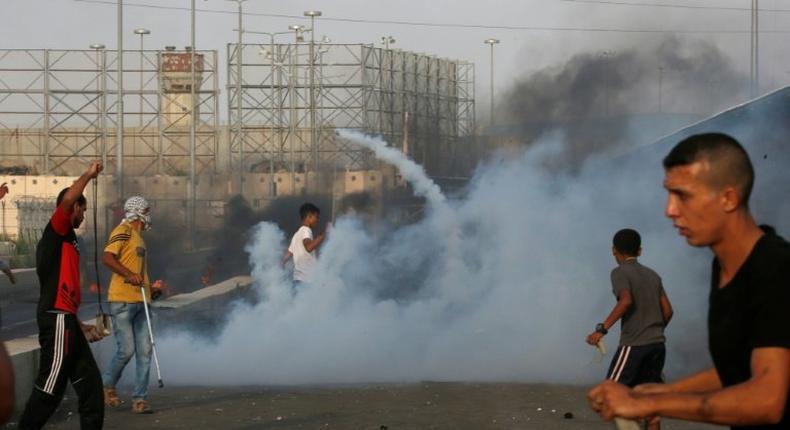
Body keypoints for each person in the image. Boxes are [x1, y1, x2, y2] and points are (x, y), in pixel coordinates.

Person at [588, 133, 790, 428]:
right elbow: (739, 370)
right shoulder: (723, 268)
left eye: (683, 195)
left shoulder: (775, 268)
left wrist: (651, 402)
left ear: (728, 198)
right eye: (669, 195)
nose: (669, 210)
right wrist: (661, 390)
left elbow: (767, 400)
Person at [18, 161, 106, 430]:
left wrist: (78, 324)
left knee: (90, 387)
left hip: (65, 320)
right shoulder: (57, 230)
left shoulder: (69, 240)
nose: (84, 216)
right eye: (83, 210)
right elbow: (67, 200)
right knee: (50, 387)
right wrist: (89, 175)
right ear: (75, 207)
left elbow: (63, 288)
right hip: (55, 319)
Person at [586, 228, 673, 430]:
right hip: (657, 345)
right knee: (650, 403)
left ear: (614, 250)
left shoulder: (619, 272)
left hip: (635, 346)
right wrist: (654, 329)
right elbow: (668, 311)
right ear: (640, 251)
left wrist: (601, 330)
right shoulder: (653, 275)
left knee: (610, 394)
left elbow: (626, 301)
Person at [100, 196, 162, 414]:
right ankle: (106, 384)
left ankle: (140, 399)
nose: (149, 214)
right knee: (126, 351)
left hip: (142, 300)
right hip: (123, 300)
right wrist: (129, 275)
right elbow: (107, 258)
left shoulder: (138, 237)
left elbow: (138, 273)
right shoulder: (123, 230)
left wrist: (151, 289)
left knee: (145, 350)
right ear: (138, 212)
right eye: (147, 209)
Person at [282, 203, 328, 286]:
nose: (318, 220)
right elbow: (308, 247)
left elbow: (285, 258)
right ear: (309, 217)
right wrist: (324, 234)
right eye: (316, 217)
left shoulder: (296, 235)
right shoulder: (306, 230)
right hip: (307, 281)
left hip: (298, 280)